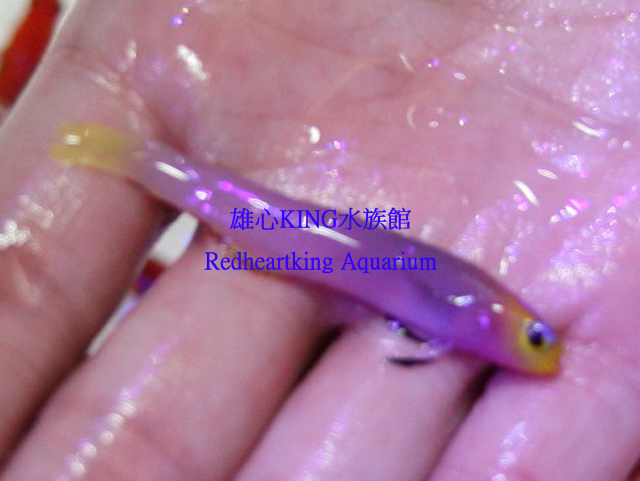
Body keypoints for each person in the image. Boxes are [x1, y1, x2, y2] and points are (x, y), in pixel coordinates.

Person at [0, 0, 639, 479]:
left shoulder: (478, 311)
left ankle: (132, 158)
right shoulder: (480, 309)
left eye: (537, 338)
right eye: (535, 339)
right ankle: (129, 158)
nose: (541, 351)